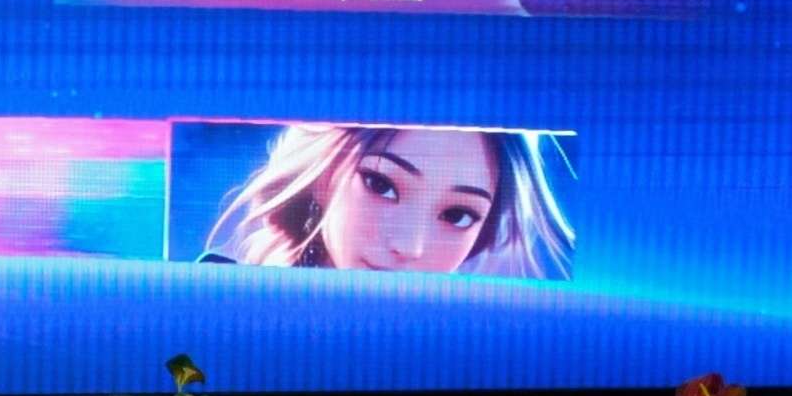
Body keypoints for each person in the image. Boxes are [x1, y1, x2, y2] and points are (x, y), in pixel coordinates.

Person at [196, 122, 575, 278]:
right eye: (381, 184)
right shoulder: (213, 299)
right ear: (324, 179)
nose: (409, 246)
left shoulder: (480, 361)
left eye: (458, 215)